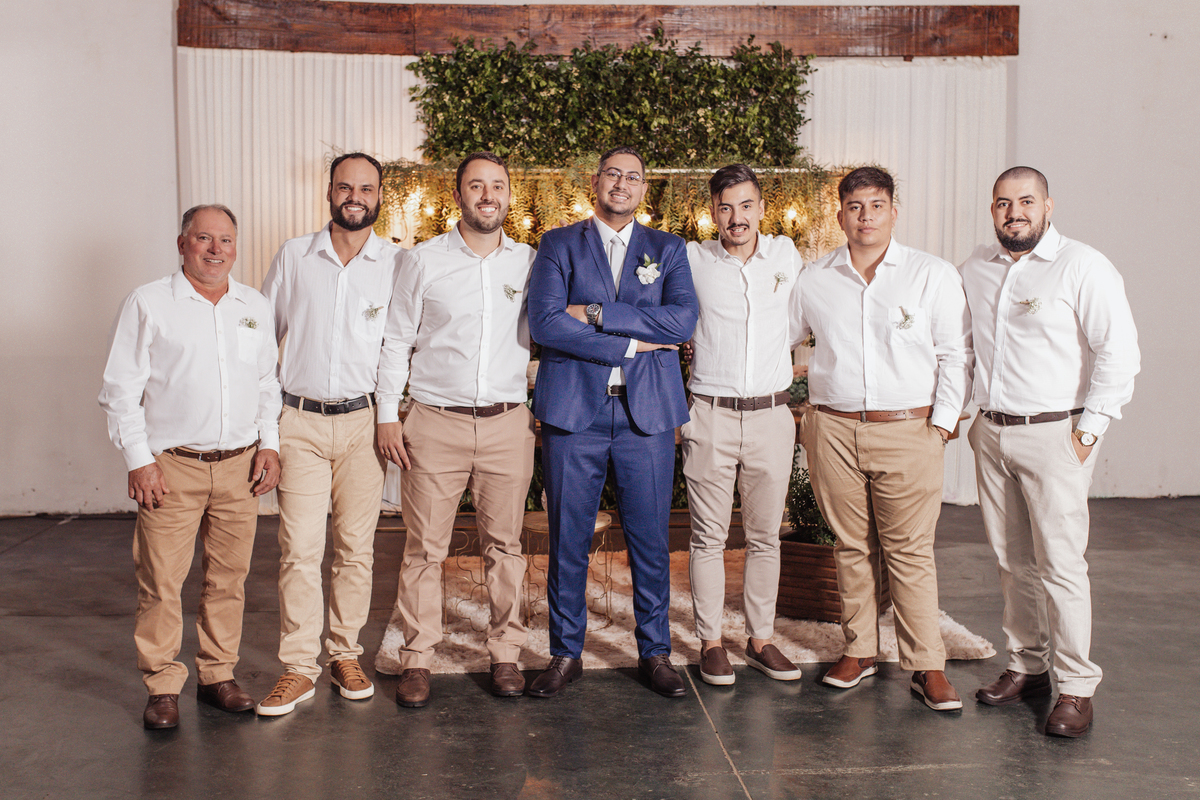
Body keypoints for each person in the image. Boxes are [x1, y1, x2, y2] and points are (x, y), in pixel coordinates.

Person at [962, 167, 1139, 738]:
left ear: (1048, 205)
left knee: (1061, 565)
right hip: (992, 433)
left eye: (1026, 201)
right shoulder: (975, 268)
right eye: (1002, 203)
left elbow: (1118, 351)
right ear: (993, 210)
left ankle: (1077, 687)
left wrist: (1088, 432)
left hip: (1055, 434)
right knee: (1012, 561)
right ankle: (1028, 667)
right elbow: (964, 350)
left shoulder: (1082, 265)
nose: (1014, 212)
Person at [796, 166, 972, 711]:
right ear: (840, 215)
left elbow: (956, 353)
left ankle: (927, 665)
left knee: (909, 551)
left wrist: (942, 423)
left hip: (909, 428)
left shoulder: (930, 274)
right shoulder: (813, 278)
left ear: (894, 211)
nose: (865, 216)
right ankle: (860, 651)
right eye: (855, 207)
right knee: (851, 546)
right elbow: (780, 341)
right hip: (833, 428)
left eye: (876, 205)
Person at [99, 205, 282, 729]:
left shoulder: (253, 305)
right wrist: (140, 461)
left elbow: (266, 383)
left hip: (240, 467)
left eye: (225, 240)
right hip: (171, 467)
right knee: (161, 580)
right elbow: (120, 390)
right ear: (182, 244)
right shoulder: (149, 302)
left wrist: (269, 445)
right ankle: (162, 686)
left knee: (229, 579)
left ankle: (217, 675)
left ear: (235, 247)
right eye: (204, 238)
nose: (215, 249)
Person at [526, 145, 699, 698]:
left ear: (644, 189)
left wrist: (597, 314)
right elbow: (546, 323)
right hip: (573, 412)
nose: (622, 183)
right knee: (568, 538)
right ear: (596, 182)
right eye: (613, 174)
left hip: (646, 416)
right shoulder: (557, 244)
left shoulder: (668, 249)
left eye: (633, 177)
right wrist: (631, 341)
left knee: (650, 540)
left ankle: (655, 652)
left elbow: (681, 321)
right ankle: (564, 653)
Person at [376, 152, 537, 707]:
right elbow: (396, 340)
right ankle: (418, 656)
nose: (488, 195)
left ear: (509, 195)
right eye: (476, 185)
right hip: (434, 422)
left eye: (497, 186)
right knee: (424, 548)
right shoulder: (422, 260)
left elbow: (547, 334)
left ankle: (506, 653)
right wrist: (387, 414)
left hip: (507, 423)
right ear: (458, 195)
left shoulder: (530, 263)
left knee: (506, 546)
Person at [257, 153, 402, 716]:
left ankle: (345, 653)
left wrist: (389, 413)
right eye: (345, 187)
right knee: (298, 549)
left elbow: (397, 348)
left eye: (366, 188)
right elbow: (262, 344)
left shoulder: (397, 263)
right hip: (299, 423)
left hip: (365, 423)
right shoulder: (295, 256)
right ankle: (298, 668)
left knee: (356, 550)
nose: (355, 197)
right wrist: (268, 432)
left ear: (380, 195)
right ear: (330, 193)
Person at [682, 164, 804, 685]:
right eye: (726, 207)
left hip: (772, 416)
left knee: (765, 537)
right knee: (707, 537)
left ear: (761, 208)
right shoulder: (692, 260)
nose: (737, 217)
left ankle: (760, 640)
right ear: (712, 212)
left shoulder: (787, 256)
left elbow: (800, 323)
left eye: (746, 205)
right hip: (709, 413)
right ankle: (711, 643)